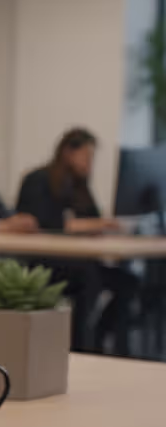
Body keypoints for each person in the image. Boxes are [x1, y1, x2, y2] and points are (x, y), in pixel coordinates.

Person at [16, 128, 137, 353]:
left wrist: (101, 226)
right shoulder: (38, 180)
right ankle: (81, 348)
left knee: (126, 282)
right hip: (45, 262)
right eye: (87, 156)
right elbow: (48, 224)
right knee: (89, 277)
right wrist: (97, 225)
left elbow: (93, 219)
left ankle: (104, 343)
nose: (90, 162)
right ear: (68, 152)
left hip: (78, 260)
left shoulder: (80, 186)